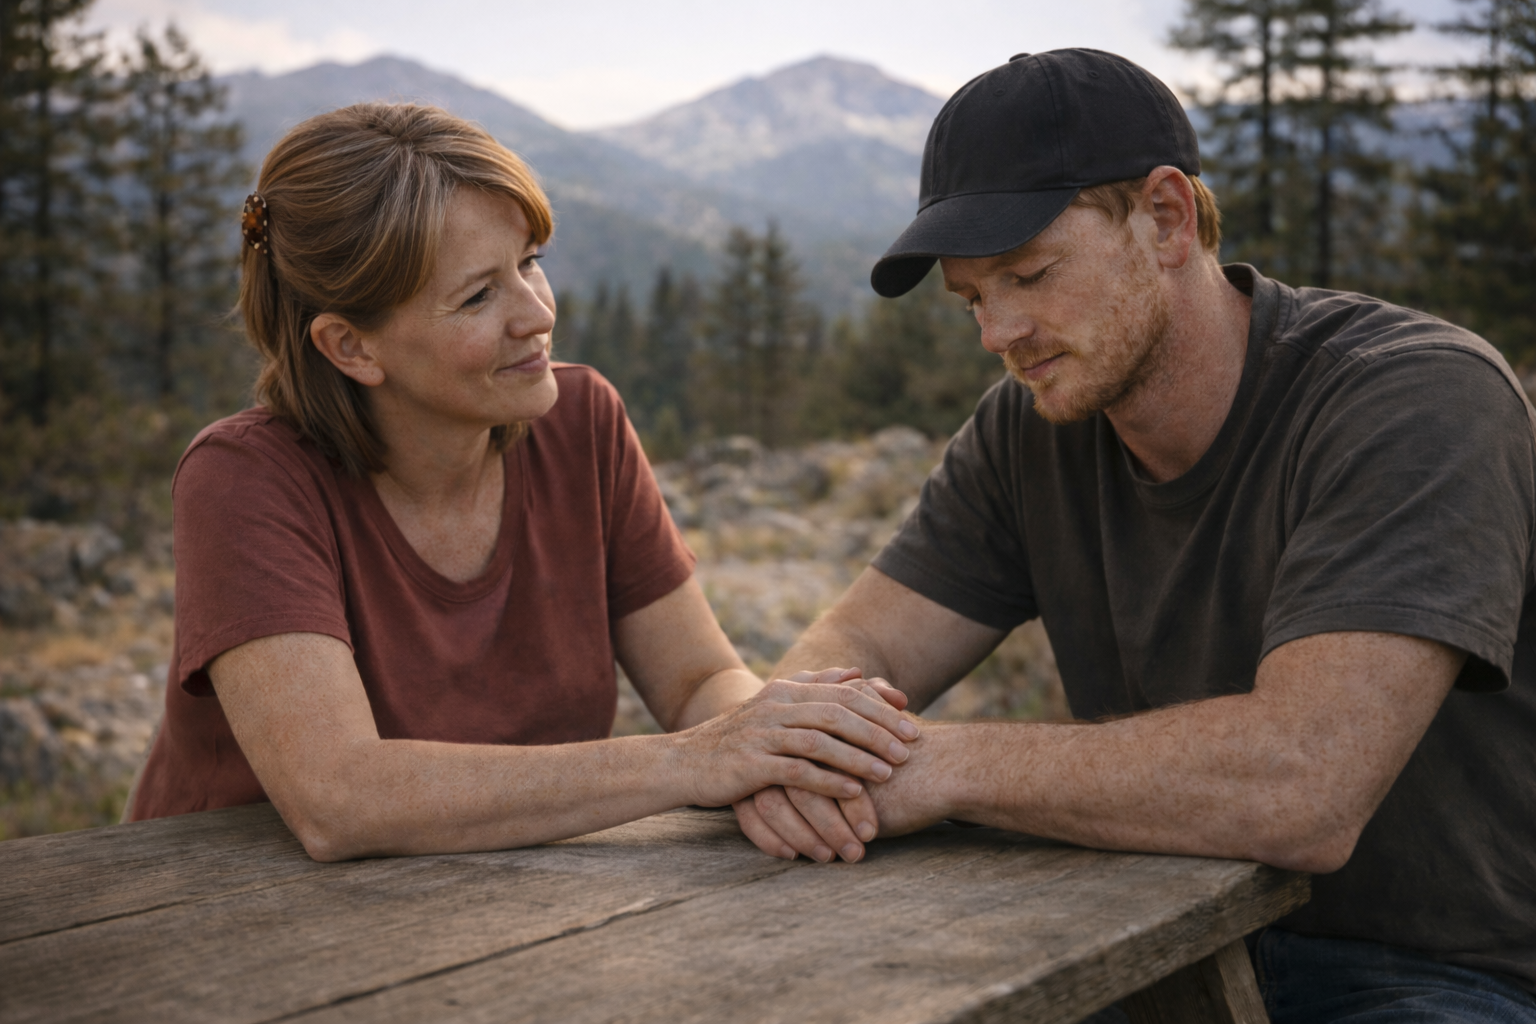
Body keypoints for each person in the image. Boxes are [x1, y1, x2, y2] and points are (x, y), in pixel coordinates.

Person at [738, 49, 1536, 1022]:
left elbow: (1307, 783)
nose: (999, 331)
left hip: (1436, 972)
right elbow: (852, 649)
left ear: (1165, 217)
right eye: (972, 298)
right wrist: (809, 742)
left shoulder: (1414, 396)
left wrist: (937, 766)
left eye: (1030, 273)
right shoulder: (1025, 429)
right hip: (1141, 936)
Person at [124, 102, 918, 864]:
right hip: (223, 923)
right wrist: (699, 761)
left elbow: (700, 680)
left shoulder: (581, 423)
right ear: (350, 347)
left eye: (530, 263)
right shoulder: (245, 481)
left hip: (499, 897)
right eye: (478, 294)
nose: (536, 312)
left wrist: (781, 759)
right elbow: (338, 797)